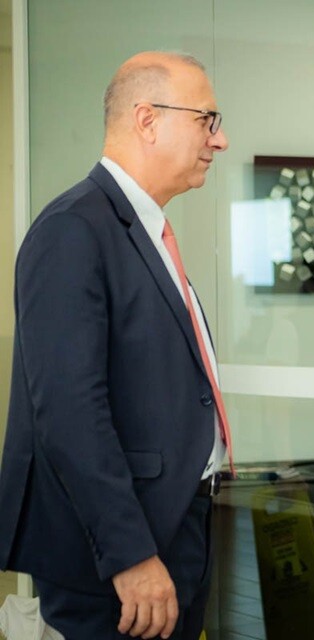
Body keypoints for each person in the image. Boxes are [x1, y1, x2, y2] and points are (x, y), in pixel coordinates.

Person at [0, 51, 230, 639]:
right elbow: (70, 413)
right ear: (147, 120)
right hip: (120, 551)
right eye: (207, 119)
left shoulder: (143, 229)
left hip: (177, 527)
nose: (220, 139)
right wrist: (128, 554)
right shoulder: (74, 229)